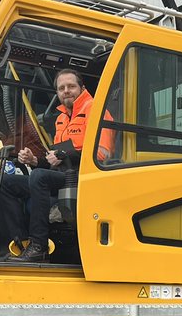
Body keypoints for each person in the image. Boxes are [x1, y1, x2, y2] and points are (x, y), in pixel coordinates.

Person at [9, 69, 114, 262]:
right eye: (61, 88)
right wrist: (34, 160)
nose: (66, 91)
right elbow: (55, 159)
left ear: (82, 88)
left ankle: (39, 246)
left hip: (84, 176)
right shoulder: (61, 118)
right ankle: (20, 243)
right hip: (63, 175)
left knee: (39, 177)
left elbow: (103, 154)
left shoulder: (96, 110)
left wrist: (65, 155)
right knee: (7, 183)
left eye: (71, 86)